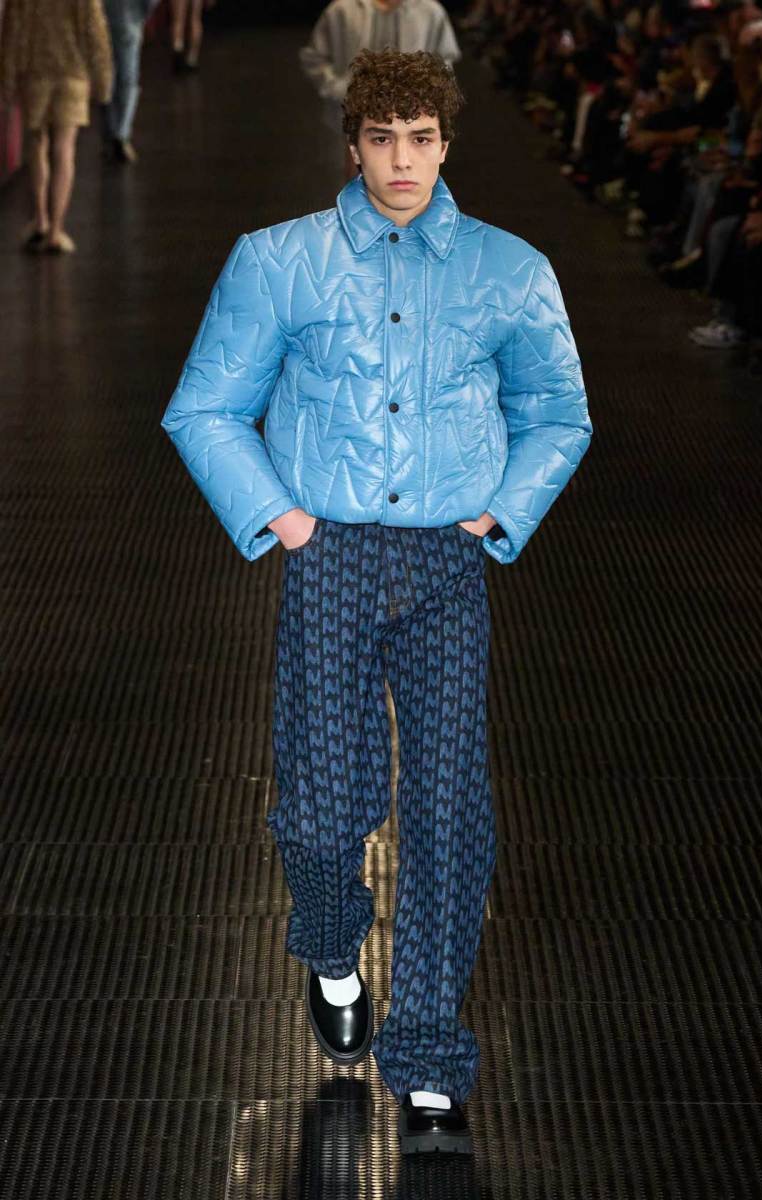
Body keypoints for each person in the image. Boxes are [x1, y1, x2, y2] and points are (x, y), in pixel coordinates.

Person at [161, 47, 592, 1155]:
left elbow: (557, 410)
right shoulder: (279, 261)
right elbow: (205, 406)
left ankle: (430, 1059)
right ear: (352, 144)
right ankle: (329, 941)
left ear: (447, 144)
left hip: (448, 561)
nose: (402, 160)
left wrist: (500, 512)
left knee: (447, 808)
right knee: (318, 806)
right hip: (333, 554)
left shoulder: (508, 270)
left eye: (422, 139)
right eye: (382, 138)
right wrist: (284, 518)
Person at [298, 0, 461, 178]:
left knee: (407, 172)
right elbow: (314, 57)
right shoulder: (342, 9)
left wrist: (426, 96)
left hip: (413, 114)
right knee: (356, 173)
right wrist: (339, 88)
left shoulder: (430, 11)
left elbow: (444, 62)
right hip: (351, 113)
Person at [0, 0, 113, 253]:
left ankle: (41, 218)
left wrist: (6, 80)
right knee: (65, 150)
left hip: (34, 73)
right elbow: (95, 30)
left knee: (36, 144)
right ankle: (56, 231)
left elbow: (12, 31)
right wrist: (103, 81)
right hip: (74, 74)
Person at [102, 0, 160, 163]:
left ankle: (110, 130)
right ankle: (122, 133)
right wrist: (142, 15)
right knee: (128, 80)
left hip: (104, 21)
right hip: (130, 19)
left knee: (108, 78)